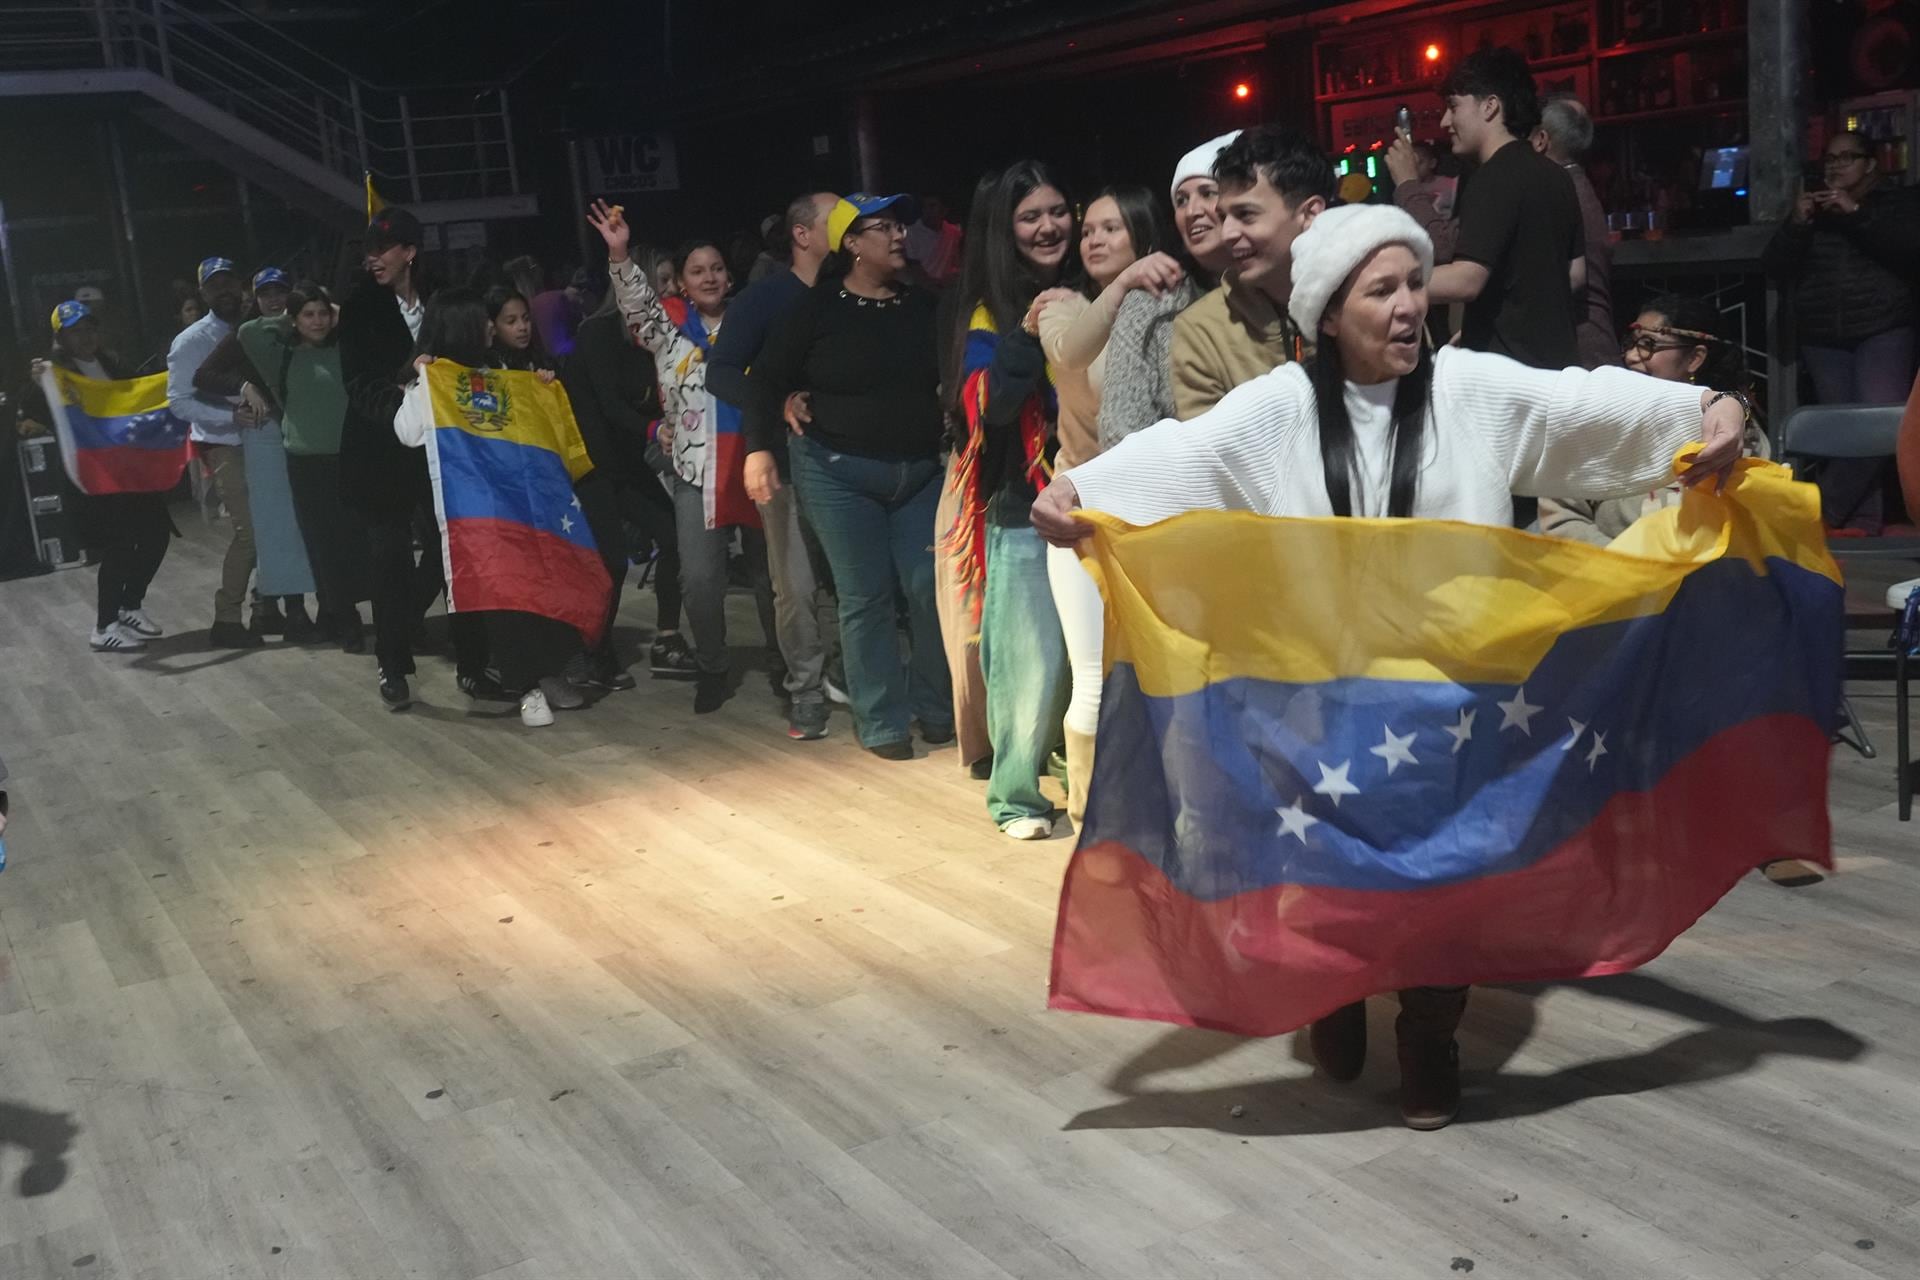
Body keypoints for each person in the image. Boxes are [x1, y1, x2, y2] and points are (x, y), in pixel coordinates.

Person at [1032, 203, 1750, 1129]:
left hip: (1452, 692)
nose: (1410, 304)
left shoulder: (1474, 390)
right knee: (1327, 867)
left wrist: (1708, 408)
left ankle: (1428, 1034)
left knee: (1446, 875)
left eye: (1415, 282)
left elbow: (1578, 405)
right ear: (1330, 313)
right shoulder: (1282, 407)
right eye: (1383, 291)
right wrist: (1083, 487)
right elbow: (1191, 454)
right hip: (1320, 691)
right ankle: (1334, 991)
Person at [745, 192, 952, 759]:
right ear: (852, 244)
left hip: (918, 474)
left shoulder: (924, 305)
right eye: (882, 227)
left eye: (899, 225)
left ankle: (936, 707)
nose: (899, 235)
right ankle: (882, 720)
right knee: (866, 597)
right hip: (838, 474)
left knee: (928, 589)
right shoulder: (815, 309)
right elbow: (765, 378)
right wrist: (760, 447)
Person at [1028, 185, 1183, 822]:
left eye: (1111, 229)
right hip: (1079, 512)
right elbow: (1070, 352)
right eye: (1088, 229)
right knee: (1094, 676)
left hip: (1154, 516)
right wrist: (1123, 284)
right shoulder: (1061, 307)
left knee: (1158, 675)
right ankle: (1094, 825)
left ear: (1143, 235)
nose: (1093, 239)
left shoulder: (1174, 308)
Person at [587, 205, 775, 714]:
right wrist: (619, 253)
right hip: (696, 472)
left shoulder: (755, 325)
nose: (709, 277)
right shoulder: (668, 333)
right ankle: (713, 666)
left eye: (717, 268)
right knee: (701, 581)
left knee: (771, 580)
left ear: (729, 277)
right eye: (697, 271)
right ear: (684, 286)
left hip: (760, 467)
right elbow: (635, 306)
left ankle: (782, 662)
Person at [946, 161, 1078, 837]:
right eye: (1031, 216)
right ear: (1005, 229)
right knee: (1028, 659)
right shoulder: (988, 315)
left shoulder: (1087, 292)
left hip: (1097, 500)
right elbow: (989, 408)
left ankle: (1080, 772)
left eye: (1058, 211)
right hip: (1023, 505)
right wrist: (1025, 334)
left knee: (1084, 658)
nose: (1050, 226)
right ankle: (1016, 798)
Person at [338, 206, 495, 711]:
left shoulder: (444, 297)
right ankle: (392, 662)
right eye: (368, 250)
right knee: (389, 559)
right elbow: (359, 384)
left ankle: (473, 664)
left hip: (446, 451)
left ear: (409, 251)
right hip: (380, 453)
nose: (373, 258)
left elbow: (471, 359)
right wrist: (408, 402)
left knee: (457, 554)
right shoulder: (359, 307)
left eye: (382, 249)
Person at [716, 190, 847, 741]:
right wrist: (775, 405)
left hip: (849, 458)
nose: (849, 224)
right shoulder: (763, 299)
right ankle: (807, 691)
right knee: (795, 585)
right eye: (836, 218)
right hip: (784, 460)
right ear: (802, 234)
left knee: (854, 583)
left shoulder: (852, 292)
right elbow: (720, 372)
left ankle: (847, 672)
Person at [1764, 128, 1920, 532]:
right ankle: (1861, 524)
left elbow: (1908, 249)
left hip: (1883, 327)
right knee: (1841, 434)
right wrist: (1797, 222)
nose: (1836, 166)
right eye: (1830, 159)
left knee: (1881, 427)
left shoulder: (1895, 201)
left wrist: (1855, 212)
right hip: (1823, 335)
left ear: (1870, 164)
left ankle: (1819, 512)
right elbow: (1775, 266)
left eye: (1847, 157)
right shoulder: (1814, 209)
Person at [1400, 47, 1583, 373]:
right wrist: (1483, 327)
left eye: (1453, 107)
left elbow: (1465, 280)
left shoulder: (1492, 176)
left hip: (1509, 374)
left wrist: (1386, 286)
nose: (1445, 122)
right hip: (1558, 366)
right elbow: (1575, 273)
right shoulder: (1557, 175)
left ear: (1490, 106)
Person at [565, 279, 696, 683]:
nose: (673, 286)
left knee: (674, 535)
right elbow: (610, 404)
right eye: (664, 278)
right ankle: (593, 650)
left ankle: (667, 639)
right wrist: (654, 430)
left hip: (626, 460)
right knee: (611, 560)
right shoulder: (598, 332)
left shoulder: (659, 334)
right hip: (590, 464)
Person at [27, 300, 175, 653]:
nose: (85, 337)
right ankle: (104, 626)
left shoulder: (113, 363)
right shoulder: (55, 373)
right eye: (75, 331)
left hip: (130, 470)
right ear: (60, 337)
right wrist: (39, 385)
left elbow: (140, 395)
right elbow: (33, 412)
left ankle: (130, 605)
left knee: (156, 535)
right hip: (95, 476)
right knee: (119, 546)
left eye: (89, 329)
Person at [1170, 125, 1334, 421]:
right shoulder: (1202, 331)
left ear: (1310, 213)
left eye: (1245, 215)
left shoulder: (1369, 298)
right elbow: (1213, 446)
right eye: (1224, 216)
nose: (1228, 233)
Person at [241, 280, 370, 653]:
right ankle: (344, 618)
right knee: (322, 544)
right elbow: (248, 331)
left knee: (354, 542)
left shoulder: (346, 349)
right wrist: (289, 317)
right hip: (306, 464)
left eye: (323, 314)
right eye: (309, 315)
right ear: (295, 319)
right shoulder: (281, 356)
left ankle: (340, 612)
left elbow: (365, 331)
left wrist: (336, 312)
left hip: (350, 459)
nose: (318, 321)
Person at [1098, 133, 1242, 446]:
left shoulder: (1279, 290)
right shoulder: (1154, 301)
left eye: (1208, 193)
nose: (1192, 211)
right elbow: (1119, 429)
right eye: (1181, 201)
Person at [200, 266, 317, 641]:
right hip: (267, 433)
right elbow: (203, 376)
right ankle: (292, 611)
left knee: (304, 521)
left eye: (280, 291)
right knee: (278, 524)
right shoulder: (245, 333)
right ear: (256, 297)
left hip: (305, 430)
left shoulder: (303, 326)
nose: (274, 299)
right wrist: (243, 386)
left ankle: (284, 608)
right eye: (266, 293)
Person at [168, 256, 264, 649]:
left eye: (229, 282)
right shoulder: (190, 341)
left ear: (241, 285)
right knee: (250, 534)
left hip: (269, 440)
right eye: (214, 285)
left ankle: (266, 607)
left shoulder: (259, 326)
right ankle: (226, 618)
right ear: (202, 292)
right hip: (226, 445)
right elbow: (178, 402)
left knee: (274, 527)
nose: (223, 290)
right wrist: (230, 417)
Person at [1531, 97, 1616, 371]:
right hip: (1593, 342)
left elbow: (1571, 278)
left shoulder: (1558, 192)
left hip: (1581, 350)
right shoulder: (1578, 185)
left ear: (1541, 140)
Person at [904, 194, 965, 289]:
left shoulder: (953, 232)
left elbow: (957, 262)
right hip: (919, 289)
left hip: (947, 290)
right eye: (924, 207)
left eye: (932, 206)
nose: (927, 211)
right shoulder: (910, 233)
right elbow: (914, 269)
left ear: (944, 210)